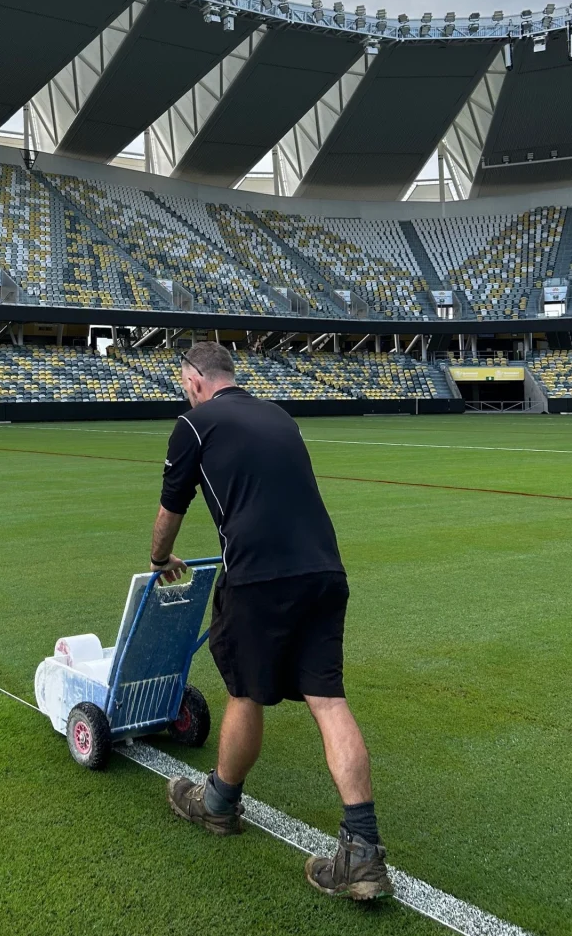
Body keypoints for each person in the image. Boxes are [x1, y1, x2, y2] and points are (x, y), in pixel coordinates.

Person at [149, 341, 393, 901]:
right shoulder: (278, 414)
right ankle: (363, 852)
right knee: (328, 700)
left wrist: (161, 560)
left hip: (259, 578)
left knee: (245, 692)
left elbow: (170, 512)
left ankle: (216, 805)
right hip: (325, 571)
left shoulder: (194, 424)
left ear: (193, 379)